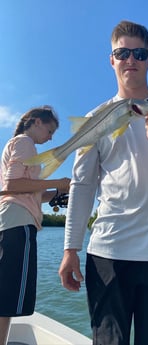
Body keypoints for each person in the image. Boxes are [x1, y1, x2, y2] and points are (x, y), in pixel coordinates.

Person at [59, 20, 148, 345]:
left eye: (139, 53)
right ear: (111, 59)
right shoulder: (95, 117)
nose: (131, 60)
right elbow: (82, 186)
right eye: (122, 52)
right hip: (108, 256)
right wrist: (71, 248)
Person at [0, 106, 71, 345]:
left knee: (6, 295)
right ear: (37, 122)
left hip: (11, 219)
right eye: (50, 131)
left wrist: (56, 192)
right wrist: (59, 181)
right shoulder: (25, 142)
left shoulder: (16, 144)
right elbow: (12, 185)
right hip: (18, 222)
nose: (50, 137)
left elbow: (28, 191)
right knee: (9, 297)